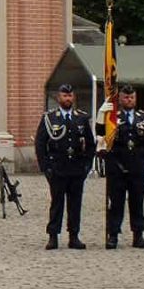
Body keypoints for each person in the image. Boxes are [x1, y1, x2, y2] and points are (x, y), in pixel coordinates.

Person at [34, 83, 94, 249]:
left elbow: (90, 143)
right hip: (57, 168)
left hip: (76, 168)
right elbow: (40, 144)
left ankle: (74, 236)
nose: (67, 98)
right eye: (64, 95)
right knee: (57, 203)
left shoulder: (81, 118)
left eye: (70, 95)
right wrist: (45, 167)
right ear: (58, 97)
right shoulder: (50, 118)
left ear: (73, 97)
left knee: (75, 204)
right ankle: (53, 236)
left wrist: (87, 165)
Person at [95, 84, 144, 249]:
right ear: (120, 99)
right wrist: (101, 115)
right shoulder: (113, 117)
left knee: (137, 203)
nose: (129, 100)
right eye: (126, 97)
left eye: (132, 97)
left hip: (137, 167)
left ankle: (138, 235)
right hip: (117, 167)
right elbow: (100, 134)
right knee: (116, 204)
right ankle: (113, 235)